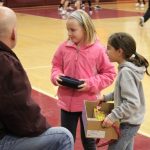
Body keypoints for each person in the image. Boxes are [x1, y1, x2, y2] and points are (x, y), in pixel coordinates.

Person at [0, 6, 74, 150]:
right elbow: (20, 111)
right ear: (13, 33)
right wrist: (42, 127)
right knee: (63, 136)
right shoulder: (4, 62)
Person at [51, 9, 116, 150]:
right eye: (67, 30)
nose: (69, 33)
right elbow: (56, 66)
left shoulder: (99, 49)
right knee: (67, 139)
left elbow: (110, 74)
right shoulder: (63, 47)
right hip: (67, 103)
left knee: (90, 142)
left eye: (73, 30)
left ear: (85, 28)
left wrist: (90, 84)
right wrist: (56, 77)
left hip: (91, 104)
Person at [99, 32, 150, 150]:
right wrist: (106, 98)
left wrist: (112, 116)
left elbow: (132, 102)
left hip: (128, 124)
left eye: (109, 48)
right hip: (130, 121)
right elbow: (121, 92)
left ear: (120, 51)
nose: (106, 52)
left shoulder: (126, 72)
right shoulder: (127, 69)